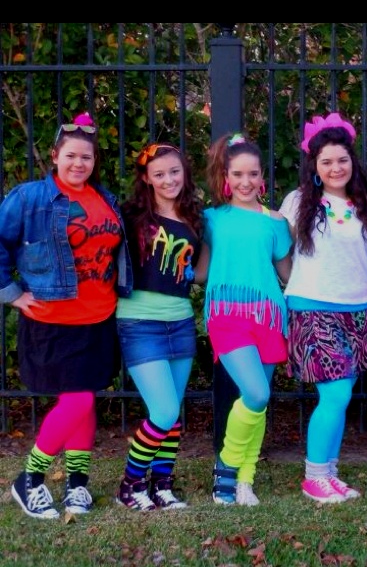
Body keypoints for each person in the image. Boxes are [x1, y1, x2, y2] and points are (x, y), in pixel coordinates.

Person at [0, 113, 133, 520]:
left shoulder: (105, 199)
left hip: (99, 319)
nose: (79, 163)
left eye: (86, 157)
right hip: (52, 320)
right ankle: (29, 479)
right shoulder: (30, 198)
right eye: (71, 155)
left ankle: (77, 485)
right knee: (78, 399)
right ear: (55, 156)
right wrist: (12, 294)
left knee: (84, 398)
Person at [280, 112, 367, 504]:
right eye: (326, 162)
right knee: (335, 394)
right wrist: (293, 284)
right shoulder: (299, 202)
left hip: (357, 308)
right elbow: (278, 251)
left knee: (342, 395)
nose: (336, 167)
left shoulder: (365, 203)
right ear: (315, 167)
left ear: (352, 162)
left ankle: (330, 472)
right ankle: (315, 477)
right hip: (313, 307)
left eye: (342, 160)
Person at [115, 143, 207, 511]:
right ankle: (130, 484)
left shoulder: (195, 218)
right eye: (159, 174)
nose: (168, 179)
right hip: (139, 321)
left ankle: (162, 485)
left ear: (185, 173)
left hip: (180, 320)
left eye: (174, 171)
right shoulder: (131, 216)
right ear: (146, 179)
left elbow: (200, 272)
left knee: (173, 414)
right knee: (164, 411)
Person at [203, 132, 292, 506]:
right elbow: (200, 271)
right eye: (238, 174)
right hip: (226, 315)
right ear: (226, 176)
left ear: (262, 176)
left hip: (269, 316)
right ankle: (225, 465)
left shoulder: (276, 222)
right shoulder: (211, 219)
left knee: (257, 403)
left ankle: (245, 480)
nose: (246, 182)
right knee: (256, 392)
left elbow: (287, 274)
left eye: (253, 174)